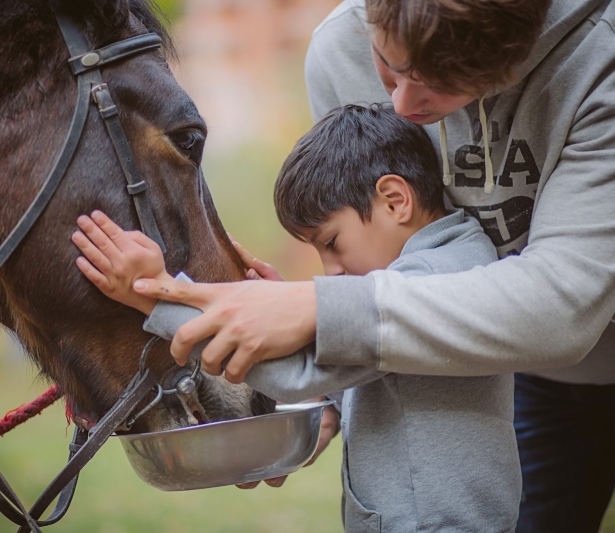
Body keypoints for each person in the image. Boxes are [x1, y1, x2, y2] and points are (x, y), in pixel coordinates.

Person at [108, 1, 615, 531]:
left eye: (444, 82)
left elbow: (552, 307)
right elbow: (362, 316)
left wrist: (158, 300)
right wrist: (315, 371)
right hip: (513, 370)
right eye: (391, 69)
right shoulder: (341, 49)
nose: (400, 105)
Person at [71, 104, 521, 532]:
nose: (332, 271)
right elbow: (382, 372)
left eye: (331, 242)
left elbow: (297, 376)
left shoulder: (431, 282)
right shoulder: (458, 256)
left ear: (394, 200)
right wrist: (289, 309)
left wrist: (154, 300)